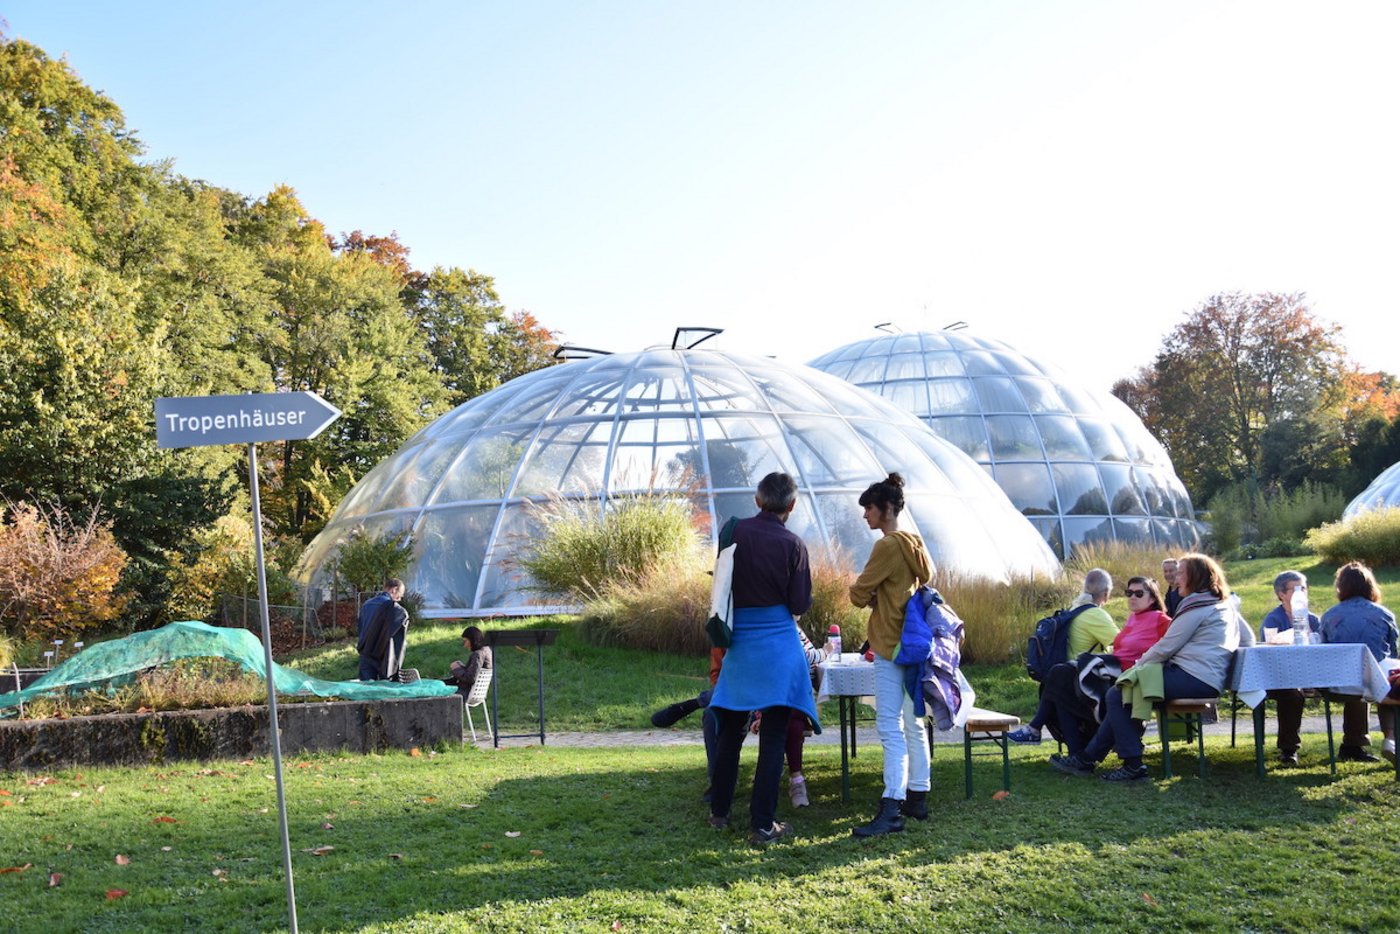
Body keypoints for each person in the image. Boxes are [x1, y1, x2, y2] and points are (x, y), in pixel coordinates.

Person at [1051, 553, 1242, 782]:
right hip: (1202, 676)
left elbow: (1166, 646)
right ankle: (1089, 759)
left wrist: (1136, 669)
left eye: (1181, 573)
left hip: (1194, 677)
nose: (1176, 579)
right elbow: (1246, 638)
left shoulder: (1198, 607)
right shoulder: (1220, 604)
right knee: (1123, 693)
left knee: (1119, 692)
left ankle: (1130, 764)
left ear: (1196, 577)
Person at [707, 472, 822, 845]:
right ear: (792, 505)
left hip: (740, 644)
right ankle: (762, 824)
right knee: (773, 735)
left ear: (757, 500)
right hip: (779, 647)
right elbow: (800, 603)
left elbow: (721, 582)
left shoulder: (734, 532)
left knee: (731, 731)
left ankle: (719, 813)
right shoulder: (794, 544)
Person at [847, 473, 934, 837]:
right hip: (913, 644)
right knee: (914, 722)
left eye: (869, 508)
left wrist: (873, 598)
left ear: (885, 509)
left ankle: (892, 806)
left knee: (888, 725)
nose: (865, 514)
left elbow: (857, 593)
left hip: (888, 642)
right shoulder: (915, 543)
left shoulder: (886, 546)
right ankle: (918, 796)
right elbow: (924, 579)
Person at [1030, 576, 1172, 761]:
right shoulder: (1133, 619)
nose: (1132, 597)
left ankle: (1037, 730)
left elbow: (1173, 646)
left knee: (1061, 676)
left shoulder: (1161, 620)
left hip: (1129, 674)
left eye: (1139, 593)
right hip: (1114, 668)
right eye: (1129, 593)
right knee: (1060, 682)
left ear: (1152, 598)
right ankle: (1074, 752)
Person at [1006, 569, 1120, 744]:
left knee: (1058, 691)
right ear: (1106, 593)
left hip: (1064, 676)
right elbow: (1121, 642)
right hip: (1084, 680)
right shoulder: (1096, 614)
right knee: (1060, 689)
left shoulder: (1074, 609)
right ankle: (1037, 731)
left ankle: (1037, 731)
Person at [1319, 561, 1399, 763]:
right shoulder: (1384, 615)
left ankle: (1354, 745)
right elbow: (1393, 653)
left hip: (1340, 683)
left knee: (1362, 684)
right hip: (1377, 682)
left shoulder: (1329, 616)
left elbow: (1323, 650)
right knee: (1386, 684)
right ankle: (1391, 738)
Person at [1258, 570, 1321, 766]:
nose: (1302, 592)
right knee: (1292, 694)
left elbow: (1322, 650)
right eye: (1296, 589)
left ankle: (1354, 745)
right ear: (1282, 594)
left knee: (1355, 686)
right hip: (1279, 676)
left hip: (1312, 673)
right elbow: (1269, 655)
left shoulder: (1313, 619)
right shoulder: (1274, 620)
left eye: (1304, 588)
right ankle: (1289, 750)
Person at [357, 578, 409, 682]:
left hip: (365, 652)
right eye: (400, 595)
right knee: (386, 688)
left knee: (366, 688)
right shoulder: (395, 610)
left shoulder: (366, 604)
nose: (399, 599)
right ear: (394, 590)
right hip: (384, 655)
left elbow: (360, 627)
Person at [443, 626, 492, 697]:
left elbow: (470, 679)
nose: (465, 645)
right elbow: (473, 673)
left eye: (465, 641)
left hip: (467, 693)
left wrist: (456, 669)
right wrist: (461, 667)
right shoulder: (487, 650)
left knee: (437, 693)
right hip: (474, 693)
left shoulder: (478, 654)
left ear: (472, 640)